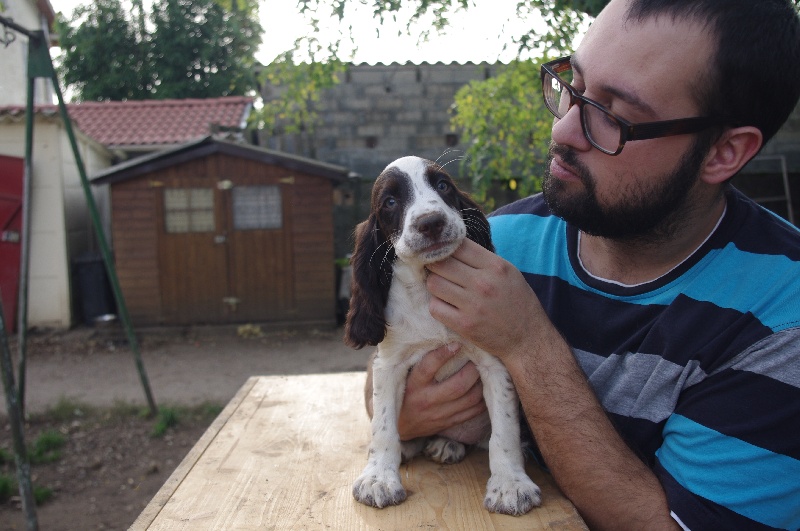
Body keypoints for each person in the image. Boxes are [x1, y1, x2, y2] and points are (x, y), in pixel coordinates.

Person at [367, 0, 800, 529]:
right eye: (573, 86)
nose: (563, 131)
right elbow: (388, 362)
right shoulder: (498, 241)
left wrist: (528, 344)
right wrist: (410, 416)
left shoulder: (784, 323)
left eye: (614, 116)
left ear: (723, 152)